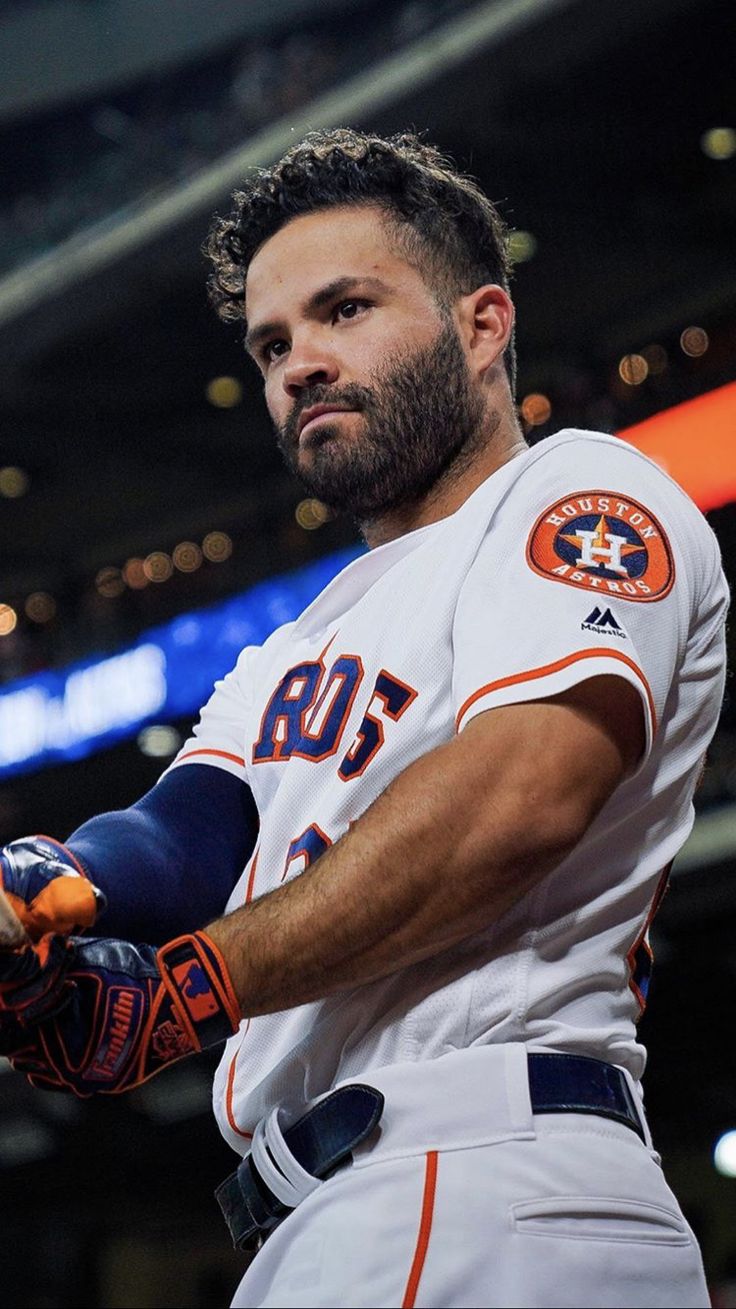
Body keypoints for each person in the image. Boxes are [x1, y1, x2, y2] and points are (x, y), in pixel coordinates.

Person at [0, 129, 728, 1309]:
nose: (300, 364)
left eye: (345, 309)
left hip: (471, 1169)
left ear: (482, 324)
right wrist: (41, 888)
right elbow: (180, 842)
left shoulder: (575, 491)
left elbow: (517, 793)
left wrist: (185, 989)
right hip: (360, 1210)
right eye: (274, 342)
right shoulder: (295, 644)